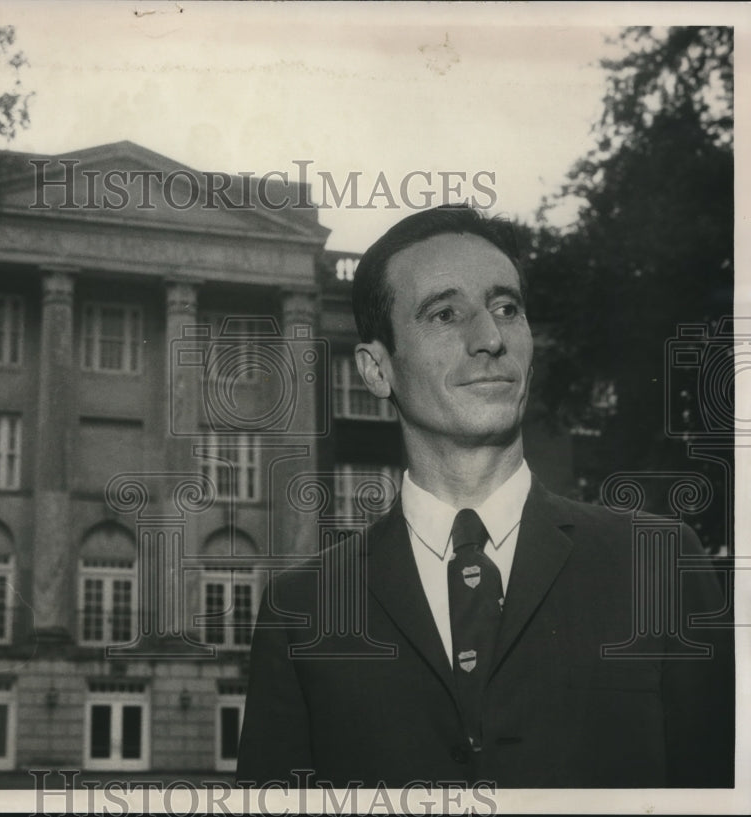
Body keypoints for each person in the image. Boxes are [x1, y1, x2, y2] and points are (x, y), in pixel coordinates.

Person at [236, 204, 733, 788]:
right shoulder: (304, 610)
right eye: (445, 314)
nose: (491, 338)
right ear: (375, 370)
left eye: (506, 308)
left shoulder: (659, 564)